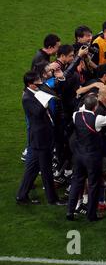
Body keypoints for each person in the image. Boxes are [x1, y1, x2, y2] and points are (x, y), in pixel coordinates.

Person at [67, 94, 106, 222]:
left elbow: (80, 109)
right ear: (95, 106)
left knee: (76, 182)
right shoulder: (97, 118)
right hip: (92, 156)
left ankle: (70, 211)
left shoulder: (76, 115)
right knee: (93, 185)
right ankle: (91, 215)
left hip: (78, 155)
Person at [16, 71, 65, 206]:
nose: (40, 82)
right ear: (30, 84)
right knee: (46, 169)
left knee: (32, 169)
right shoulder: (27, 97)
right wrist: (44, 102)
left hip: (39, 138)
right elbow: (37, 113)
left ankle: (21, 196)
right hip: (40, 139)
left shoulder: (35, 91)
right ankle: (53, 199)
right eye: (37, 81)